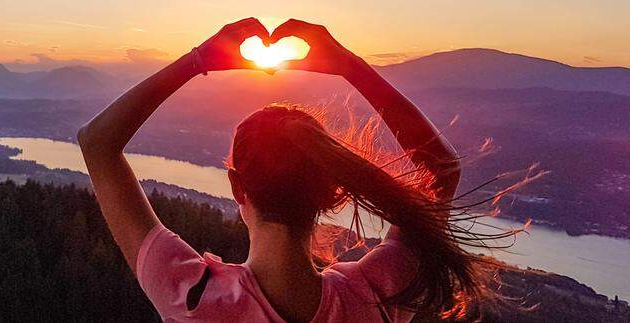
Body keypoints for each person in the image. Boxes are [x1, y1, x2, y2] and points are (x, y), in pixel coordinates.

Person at [78, 18, 493, 322]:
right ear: (332, 190)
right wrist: (349, 66)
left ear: (237, 187)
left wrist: (198, 60)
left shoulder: (191, 300)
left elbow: (97, 143)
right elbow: (440, 170)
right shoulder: (375, 298)